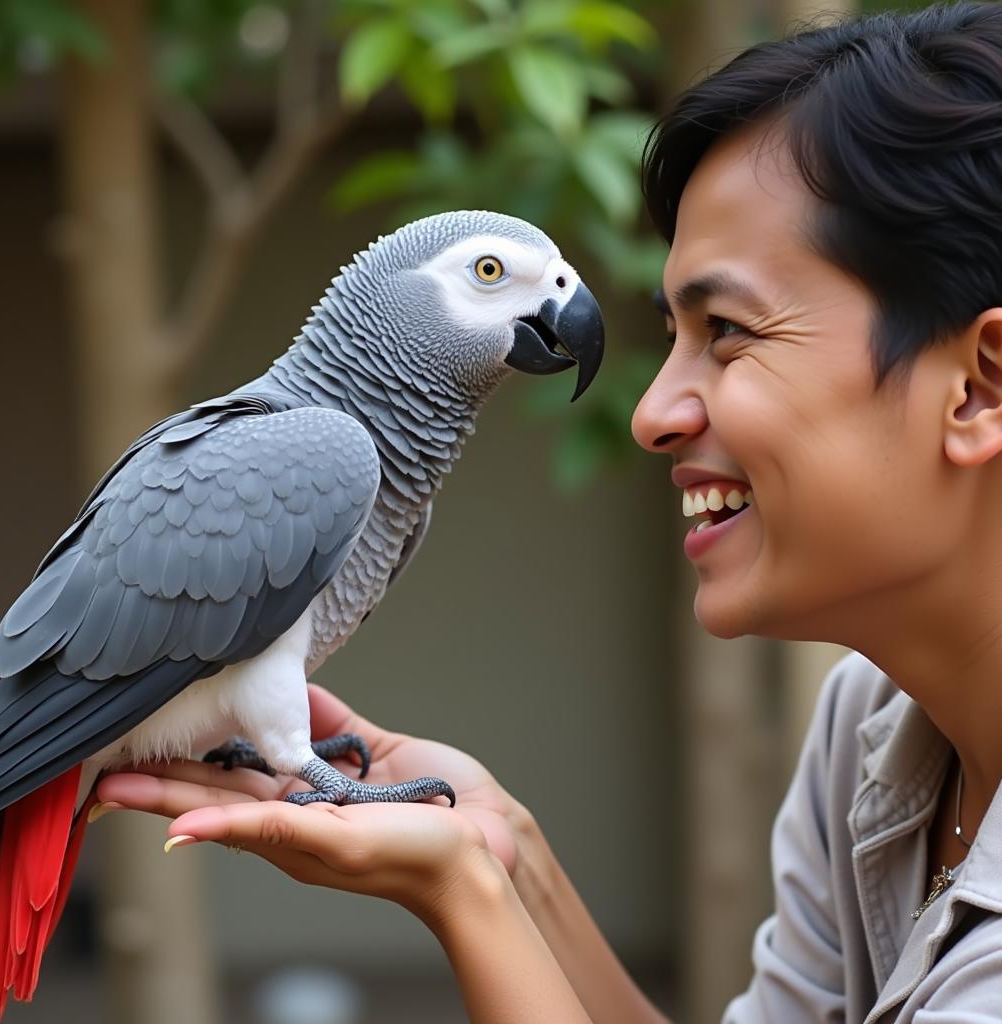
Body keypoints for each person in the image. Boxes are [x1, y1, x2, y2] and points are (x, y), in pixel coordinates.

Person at [95, 3, 1002, 1020]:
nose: (651, 413)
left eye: (730, 331)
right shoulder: (868, 735)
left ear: (977, 387)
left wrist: (459, 889)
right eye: (671, 335)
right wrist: (503, 847)